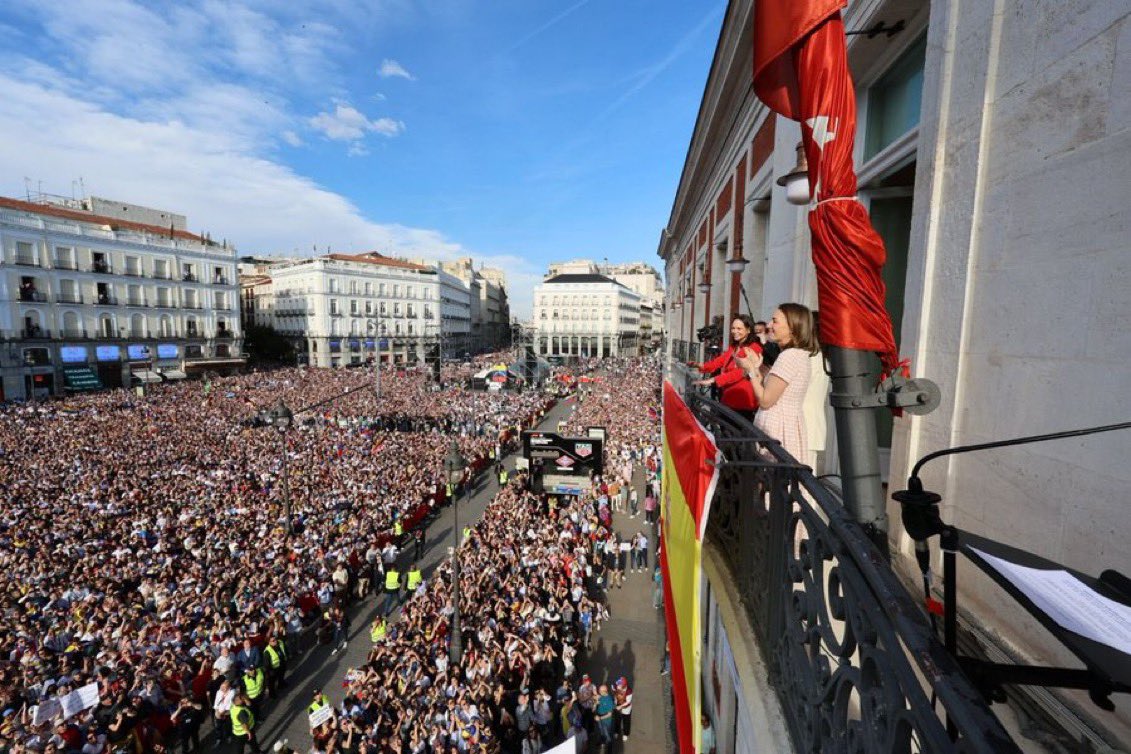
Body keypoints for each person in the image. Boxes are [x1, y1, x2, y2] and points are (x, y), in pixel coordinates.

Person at [736, 303, 819, 462]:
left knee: (774, 482)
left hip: (778, 430)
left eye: (775, 321)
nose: (768, 325)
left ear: (793, 327)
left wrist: (750, 369)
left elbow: (766, 400)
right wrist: (754, 367)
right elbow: (772, 387)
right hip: (785, 426)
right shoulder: (796, 354)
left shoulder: (789, 356)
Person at [691, 315, 763, 421]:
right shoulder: (734, 347)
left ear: (748, 330)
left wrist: (714, 380)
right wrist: (701, 366)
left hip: (743, 403)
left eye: (739, 328)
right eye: (733, 328)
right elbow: (719, 361)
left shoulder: (754, 348)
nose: (734, 331)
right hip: (728, 400)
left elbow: (741, 372)